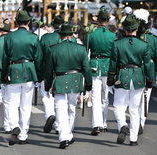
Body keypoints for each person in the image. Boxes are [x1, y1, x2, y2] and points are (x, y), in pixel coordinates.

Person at [107, 14, 153, 146]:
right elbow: (148, 64)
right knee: (134, 109)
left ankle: (122, 125)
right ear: (137, 28)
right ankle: (133, 139)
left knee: (118, 106)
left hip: (122, 75)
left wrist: (110, 79)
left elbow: (113, 63)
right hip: (138, 77)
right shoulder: (144, 45)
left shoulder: (117, 44)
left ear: (124, 29)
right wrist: (149, 81)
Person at [43, 23, 92, 149]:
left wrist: (47, 84)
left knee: (60, 109)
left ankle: (65, 136)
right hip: (75, 80)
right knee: (71, 108)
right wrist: (88, 83)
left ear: (60, 35)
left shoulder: (53, 49)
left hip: (59, 80)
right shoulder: (80, 48)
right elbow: (86, 68)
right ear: (71, 35)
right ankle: (67, 134)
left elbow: (48, 70)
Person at [3, 10, 42, 145]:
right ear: (28, 22)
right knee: (26, 106)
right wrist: (38, 76)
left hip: (13, 70)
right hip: (29, 71)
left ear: (16, 22)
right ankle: (23, 135)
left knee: (11, 103)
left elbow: (4, 58)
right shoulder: (33, 37)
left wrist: (3, 76)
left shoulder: (9, 37)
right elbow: (38, 58)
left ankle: (14, 126)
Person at [85, 8, 117, 136]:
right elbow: (115, 55)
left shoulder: (90, 34)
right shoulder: (112, 35)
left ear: (98, 20)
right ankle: (103, 123)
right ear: (108, 21)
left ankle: (97, 124)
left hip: (94, 66)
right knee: (105, 97)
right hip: (107, 67)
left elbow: (86, 52)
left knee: (96, 97)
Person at [39, 15, 64, 134]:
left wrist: (39, 73)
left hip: (47, 70)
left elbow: (39, 57)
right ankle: (59, 125)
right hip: (64, 71)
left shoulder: (45, 38)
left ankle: (50, 115)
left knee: (46, 96)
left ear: (53, 25)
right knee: (61, 99)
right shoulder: (70, 38)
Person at [133, 9, 157, 135]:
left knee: (134, 99)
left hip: (135, 70)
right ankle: (141, 123)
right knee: (145, 99)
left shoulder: (133, 37)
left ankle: (136, 123)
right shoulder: (153, 39)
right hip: (149, 70)